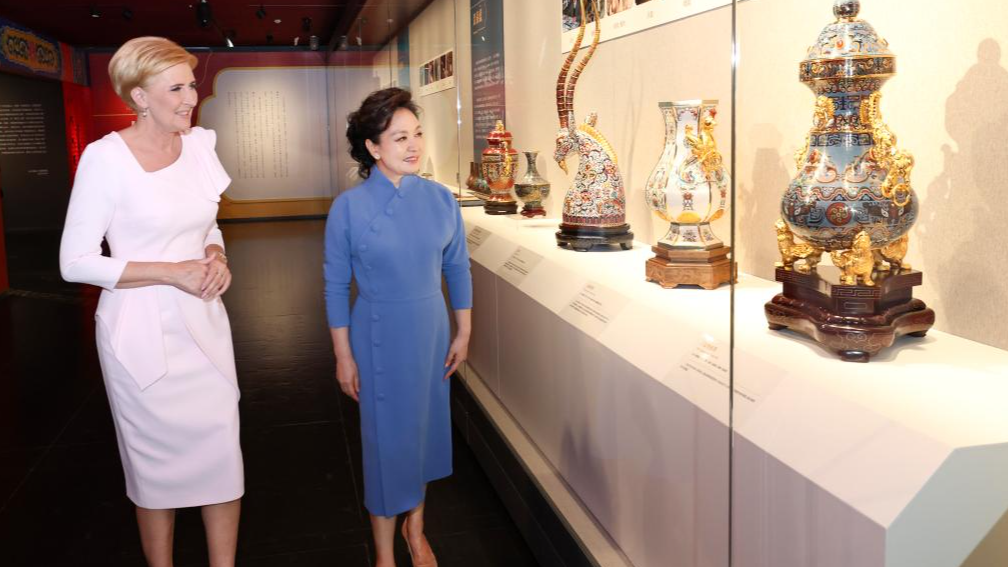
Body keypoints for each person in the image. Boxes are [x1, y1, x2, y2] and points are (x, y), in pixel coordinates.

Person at [59, 37, 242, 567]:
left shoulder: (201, 146)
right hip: (139, 333)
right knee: (154, 471)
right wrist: (172, 272)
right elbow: (75, 262)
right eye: (178, 87)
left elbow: (207, 223)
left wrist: (214, 255)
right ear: (139, 96)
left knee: (222, 457)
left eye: (192, 83)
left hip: (204, 326)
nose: (192, 97)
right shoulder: (106, 159)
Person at [325, 87, 472, 567]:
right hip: (377, 336)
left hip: (429, 331)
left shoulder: (440, 199)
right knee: (386, 444)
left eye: (418, 134)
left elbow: (457, 268)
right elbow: (334, 287)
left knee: (424, 433)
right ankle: (385, 554)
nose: (413, 146)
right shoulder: (348, 208)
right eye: (399, 137)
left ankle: (417, 528)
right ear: (372, 147)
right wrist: (343, 355)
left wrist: (463, 331)